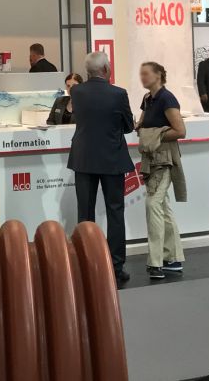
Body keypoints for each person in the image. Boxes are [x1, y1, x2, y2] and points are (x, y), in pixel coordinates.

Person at [67, 52, 134, 287]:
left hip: (83, 158)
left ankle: (85, 262)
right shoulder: (118, 94)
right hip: (112, 158)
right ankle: (115, 266)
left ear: (87, 71)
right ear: (106, 69)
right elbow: (128, 126)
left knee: (85, 212)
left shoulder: (77, 92)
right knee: (115, 212)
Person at [136, 62, 186, 281]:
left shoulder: (167, 98)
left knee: (153, 204)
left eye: (146, 74)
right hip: (151, 159)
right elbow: (142, 124)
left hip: (164, 160)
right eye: (141, 74)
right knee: (162, 207)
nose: (142, 77)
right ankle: (173, 258)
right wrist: (142, 128)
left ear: (158, 75)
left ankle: (155, 261)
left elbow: (180, 131)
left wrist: (152, 135)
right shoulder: (148, 99)